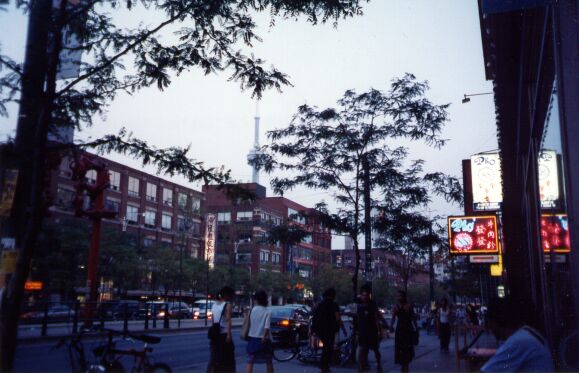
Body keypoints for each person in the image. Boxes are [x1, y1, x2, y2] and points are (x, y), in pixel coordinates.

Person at [481, 297, 553, 372]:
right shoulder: (526, 333)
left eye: (490, 323)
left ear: (495, 322)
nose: (490, 328)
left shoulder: (518, 342)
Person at [311, 288, 346, 373]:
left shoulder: (320, 304)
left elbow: (315, 316)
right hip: (329, 329)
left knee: (326, 347)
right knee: (328, 348)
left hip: (319, 329)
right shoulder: (334, 305)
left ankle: (324, 366)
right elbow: (338, 318)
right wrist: (343, 329)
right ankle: (324, 366)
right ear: (333, 295)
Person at [356, 284, 384, 373]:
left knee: (375, 350)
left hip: (372, 331)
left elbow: (376, 317)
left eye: (366, 295)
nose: (364, 297)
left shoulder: (372, 305)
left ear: (369, 295)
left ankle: (379, 365)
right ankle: (361, 367)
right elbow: (357, 317)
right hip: (362, 331)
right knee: (362, 349)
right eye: (363, 295)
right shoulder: (358, 304)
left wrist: (379, 331)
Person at [207, 286, 235, 373]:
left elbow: (213, 320)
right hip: (224, 334)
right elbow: (228, 321)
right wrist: (229, 335)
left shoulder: (214, 305)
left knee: (215, 357)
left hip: (215, 334)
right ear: (227, 295)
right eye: (231, 295)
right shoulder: (228, 305)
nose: (231, 297)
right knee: (228, 358)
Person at [246, 290, 274, 373]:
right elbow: (267, 326)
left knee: (250, 360)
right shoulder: (268, 311)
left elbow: (249, 324)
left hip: (252, 338)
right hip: (264, 339)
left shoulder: (252, 310)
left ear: (256, 300)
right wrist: (264, 337)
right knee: (269, 360)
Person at [390, 290, 417, 373]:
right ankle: (403, 369)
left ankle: (405, 369)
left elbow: (413, 318)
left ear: (404, 297)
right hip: (400, 330)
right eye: (397, 296)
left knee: (406, 353)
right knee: (401, 353)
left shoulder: (409, 306)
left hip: (408, 330)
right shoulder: (396, 307)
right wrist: (391, 326)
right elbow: (393, 318)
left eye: (400, 296)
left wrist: (416, 329)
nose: (398, 298)